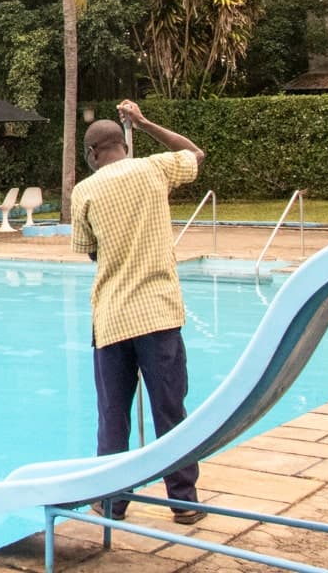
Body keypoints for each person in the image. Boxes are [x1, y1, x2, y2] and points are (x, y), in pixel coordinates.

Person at [70, 99, 207, 526]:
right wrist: (146, 123)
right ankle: (183, 501)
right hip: (158, 314)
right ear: (123, 146)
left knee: (113, 416)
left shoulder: (85, 191)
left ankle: (112, 501)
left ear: (92, 155)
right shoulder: (154, 169)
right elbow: (195, 153)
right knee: (170, 411)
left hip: (111, 318)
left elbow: (89, 252)